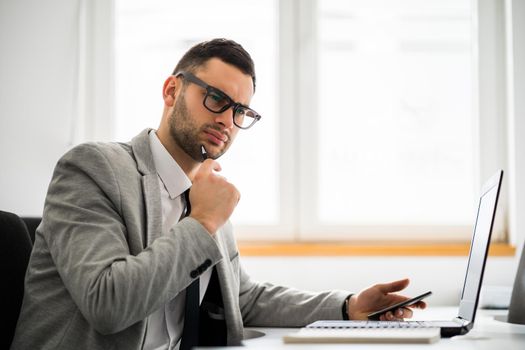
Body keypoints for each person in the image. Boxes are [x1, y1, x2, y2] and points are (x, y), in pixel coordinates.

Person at [11, 38, 424, 350]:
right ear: (172, 91)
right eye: (216, 99)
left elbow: (241, 299)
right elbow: (107, 304)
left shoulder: (205, 190)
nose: (227, 120)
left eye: (240, 111)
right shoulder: (93, 168)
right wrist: (203, 222)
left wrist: (347, 307)